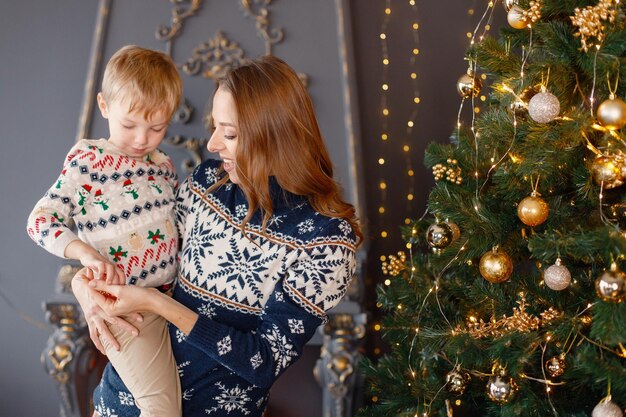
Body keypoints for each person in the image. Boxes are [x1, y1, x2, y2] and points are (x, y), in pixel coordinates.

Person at [71, 54, 363, 417]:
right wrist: (83, 290)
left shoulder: (326, 241)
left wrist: (158, 304)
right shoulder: (207, 183)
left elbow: (264, 361)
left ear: (274, 136)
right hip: (117, 403)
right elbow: (139, 258)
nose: (211, 144)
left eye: (230, 133)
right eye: (215, 127)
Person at [27, 45, 183, 416]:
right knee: (162, 409)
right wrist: (84, 253)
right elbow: (40, 220)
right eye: (129, 125)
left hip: (172, 301)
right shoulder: (89, 162)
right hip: (125, 311)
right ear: (104, 105)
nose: (142, 139)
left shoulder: (163, 165)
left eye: (157, 127)